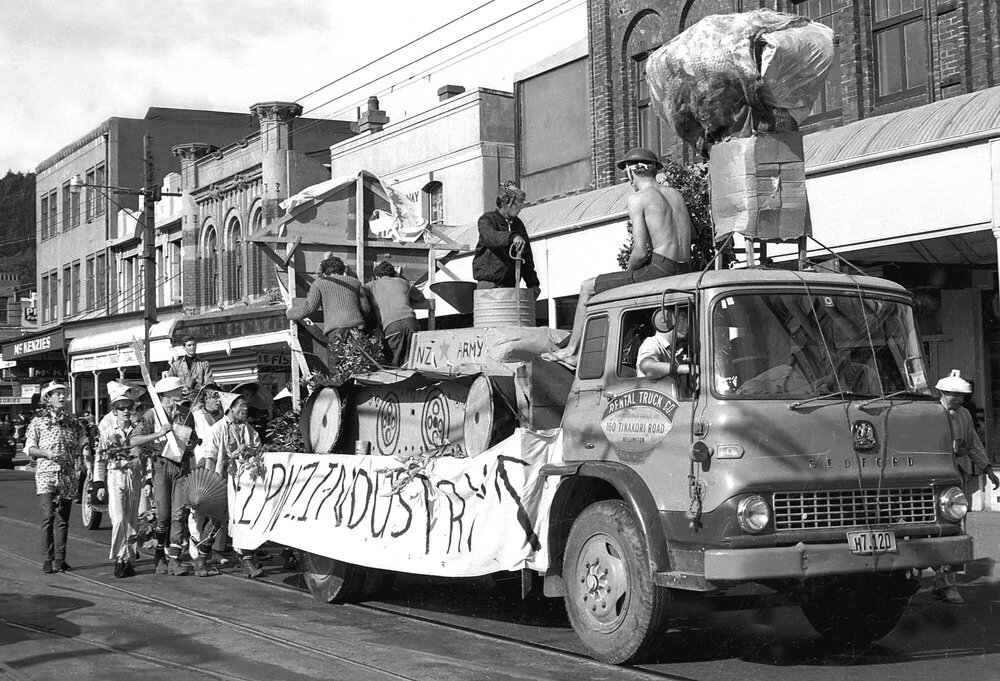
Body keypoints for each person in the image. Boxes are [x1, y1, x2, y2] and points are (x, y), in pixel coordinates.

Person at [543, 148, 693, 368]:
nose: (628, 180)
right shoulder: (675, 195)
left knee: (588, 287)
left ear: (632, 172)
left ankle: (572, 352)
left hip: (661, 269)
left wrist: (628, 275)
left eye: (627, 175)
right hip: (684, 270)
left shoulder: (638, 199)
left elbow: (640, 251)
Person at [931, 369, 999, 604]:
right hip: (928, 479)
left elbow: (972, 444)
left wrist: (988, 469)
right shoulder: (930, 414)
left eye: (961, 396)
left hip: (951, 478)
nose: (958, 399)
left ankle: (947, 582)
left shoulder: (964, 416)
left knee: (955, 526)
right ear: (942, 392)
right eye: (953, 394)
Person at [93, 381, 166, 577]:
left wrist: (149, 480)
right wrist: (98, 483)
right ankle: (119, 557)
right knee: (118, 519)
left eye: (128, 407)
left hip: (135, 476)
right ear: (114, 411)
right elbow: (99, 459)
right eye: (121, 408)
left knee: (134, 519)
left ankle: (129, 558)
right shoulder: (108, 433)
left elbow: (147, 455)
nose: (126, 411)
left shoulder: (138, 430)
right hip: (116, 475)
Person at [24, 382, 92, 573]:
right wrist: (45, 453)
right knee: (47, 517)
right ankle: (48, 557)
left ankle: (60, 559)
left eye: (64, 394)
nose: (62, 397)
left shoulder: (74, 422)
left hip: (67, 476)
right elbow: (29, 448)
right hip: (46, 474)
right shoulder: (38, 421)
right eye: (57, 394)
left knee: (62, 520)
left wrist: (87, 455)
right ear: (48, 398)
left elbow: (83, 443)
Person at [205, 392, 266, 579]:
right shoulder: (217, 429)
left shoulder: (249, 430)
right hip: (223, 480)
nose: (245, 409)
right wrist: (209, 483)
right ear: (230, 408)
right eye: (241, 405)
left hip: (244, 483)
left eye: (246, 405)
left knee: (244, 518)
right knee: (217, 521)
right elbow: (211, 457)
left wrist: (250, 451)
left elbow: (259, 450)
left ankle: (246, 561)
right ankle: (201, 558)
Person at [142, 375, 197, 577]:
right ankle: (159, 554)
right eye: (176, 391)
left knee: (178, 514)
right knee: (163, 516)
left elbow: (195, 438)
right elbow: (136, 439)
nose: (180, 393)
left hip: (180, 466)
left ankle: (175, 559)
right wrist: (157, 435)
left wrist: (191, 444)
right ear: (165, 394)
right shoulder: (151, 415)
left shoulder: (186, 413)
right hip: (160, 466)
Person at [287, 254, 371, 371]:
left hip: (336, 330)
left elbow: (310, 307)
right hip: (357, 329)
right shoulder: (355, 282)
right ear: (342, 270)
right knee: (359, 367)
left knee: (338, 369)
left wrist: (290, 313)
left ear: (325, 272)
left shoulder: (319, 283)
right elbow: (366, 308)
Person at [472, 181, 540, 297]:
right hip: (489, 285)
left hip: (511, 287)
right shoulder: (487, 220)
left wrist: (533, 284)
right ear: (506, 202)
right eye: (519, 204)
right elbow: (491, 238)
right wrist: (512, 237)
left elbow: (526, 257)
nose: (521, 208)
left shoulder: (518, 224)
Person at [187, 385, 227, 574]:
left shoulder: (224, 418)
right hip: (200, 466)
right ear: (205, 399)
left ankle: (216, 550)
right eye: (213, 396)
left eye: (219, 396)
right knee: (198, 510)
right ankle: (196, 548)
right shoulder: (196, 417)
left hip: (220, 466)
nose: (217, 400)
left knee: (219, 511)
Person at [366, 261, 428, 366]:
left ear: (376, 276)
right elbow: (420, 297)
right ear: (394, 273)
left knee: (394, 362)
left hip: (392, 326)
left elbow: (360, 295)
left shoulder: (371, 286)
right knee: (413, 359)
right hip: (411, 321)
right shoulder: (403, 282)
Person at [637, 308, 691, 380]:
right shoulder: (652, 344)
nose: (687, 324)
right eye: (683, 319)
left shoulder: (677, 350)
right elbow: (648, 369)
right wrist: (685, 369)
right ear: (665, 321)